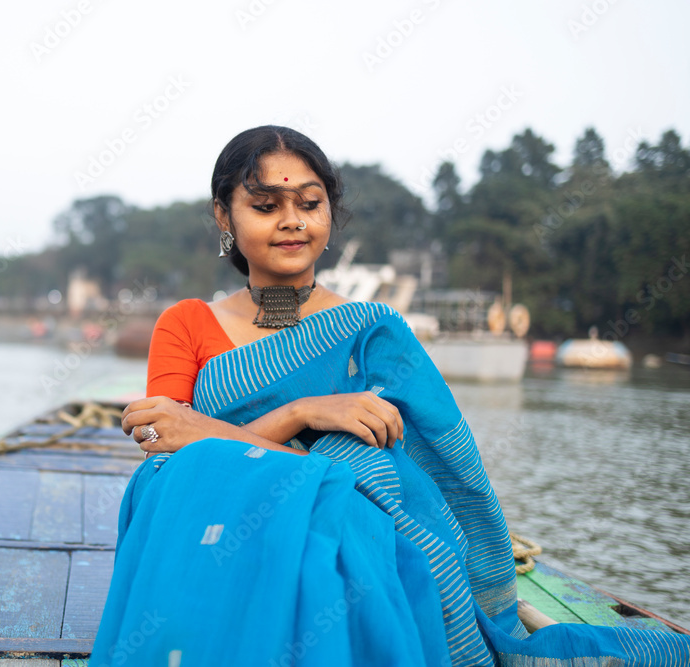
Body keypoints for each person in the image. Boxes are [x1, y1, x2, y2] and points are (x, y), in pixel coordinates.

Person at [89, 126, 689, 666]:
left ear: (330, 214)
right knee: (178, 480)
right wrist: (302, 413)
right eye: (265, 205)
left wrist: (223, 438)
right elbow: (162, 445)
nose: (292, 220)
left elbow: (389, 460)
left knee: (344, 514)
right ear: (225, 217)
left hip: (341, 502)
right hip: (211, 503)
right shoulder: (187, 323)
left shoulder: (371, 330)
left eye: (310, 203)